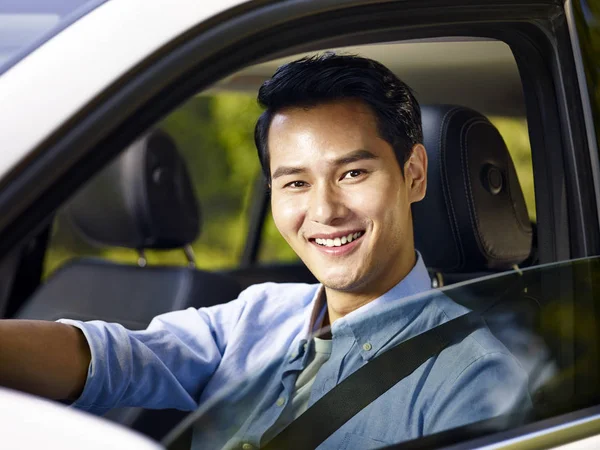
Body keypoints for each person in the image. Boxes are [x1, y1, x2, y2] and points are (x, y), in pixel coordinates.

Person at [0, 54, 530, 449]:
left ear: (413, 174)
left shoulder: (473, 377)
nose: (325, 211)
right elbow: (118, 359)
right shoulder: (259, 313)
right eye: (295, 183)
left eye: (352, 173)